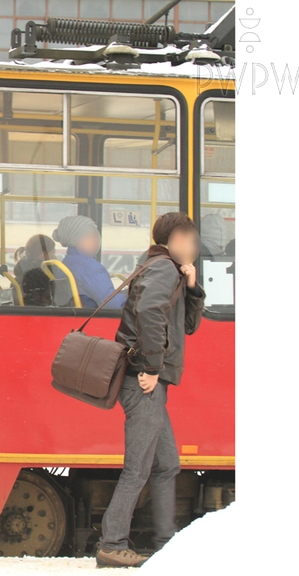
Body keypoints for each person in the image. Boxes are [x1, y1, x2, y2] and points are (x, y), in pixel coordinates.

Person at [95, 212, 205, 568]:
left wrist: (191, 285)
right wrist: (151, 367)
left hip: (149, 381)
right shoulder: (161, 268)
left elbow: (187, 326)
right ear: (171, 240)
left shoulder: (171, 270)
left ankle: (164, 542)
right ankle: (112, 544)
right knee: (138, 468)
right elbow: (149, 313)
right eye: (188, 238)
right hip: (143, 381)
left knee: (166, 464)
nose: (193, 245)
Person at [52, 215, 126, 309]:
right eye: (90, 237)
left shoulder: (68, 262)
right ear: (74, 239)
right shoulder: (88, 266)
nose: (96, 242)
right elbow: (111, 303)